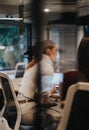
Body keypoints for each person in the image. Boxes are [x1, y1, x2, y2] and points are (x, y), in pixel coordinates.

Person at [17, 40, 58, 124]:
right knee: (62, 117)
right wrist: (51, 91)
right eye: (55, 51)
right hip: (29, 113)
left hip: (19, 111)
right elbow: (43, 96)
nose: (56, 54)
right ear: (48, 51)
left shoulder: (33, 64)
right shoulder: (46, 67)